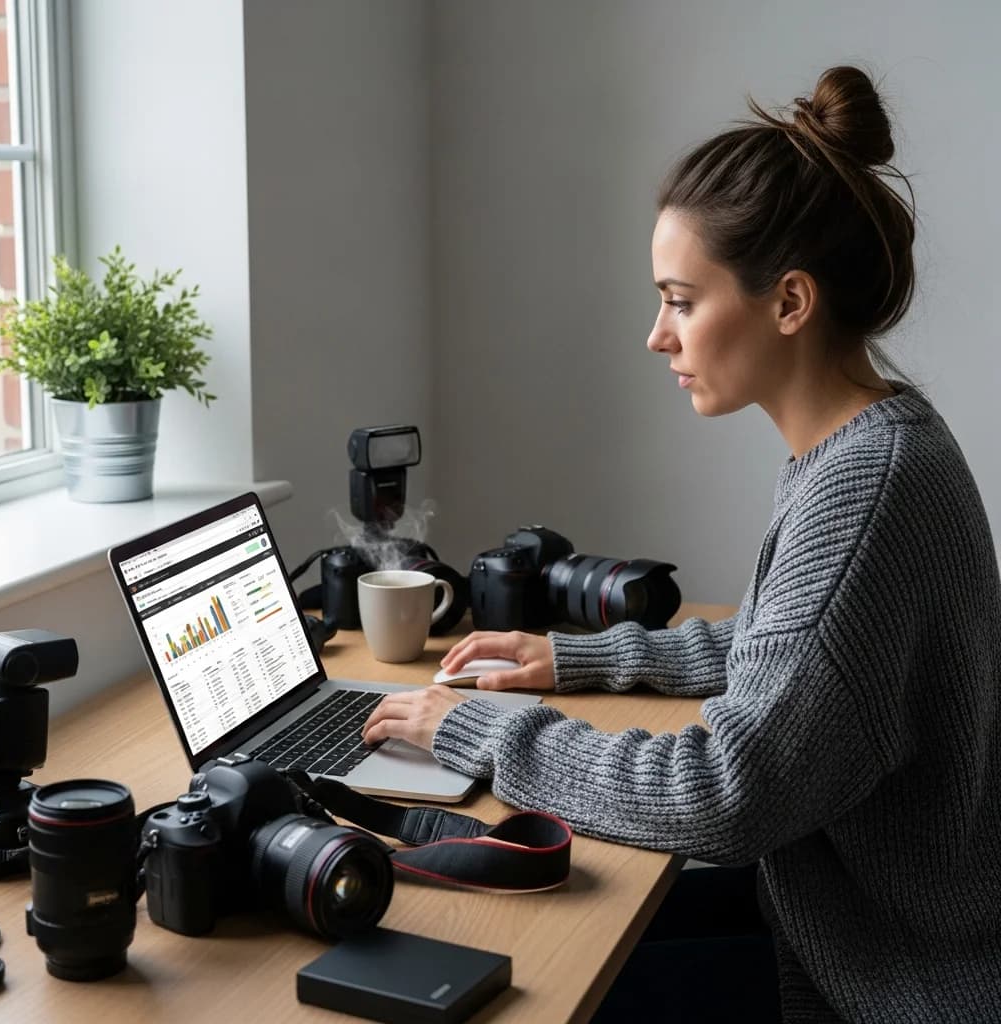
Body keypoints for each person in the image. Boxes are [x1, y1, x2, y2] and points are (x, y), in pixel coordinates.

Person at [362, 65, 1001, 1023]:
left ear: (789, 303)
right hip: (840, 922)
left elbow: (723, 796)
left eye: (680, 301)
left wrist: (480, 732)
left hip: (877, 979)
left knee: (504, 981)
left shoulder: (867, 490)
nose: (656, 335)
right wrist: (573, 658)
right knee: (507, 935)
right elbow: (793, 653)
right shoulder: (876, 443)